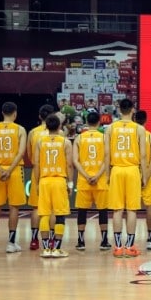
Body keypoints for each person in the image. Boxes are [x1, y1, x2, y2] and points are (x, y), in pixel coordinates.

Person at [105, 98, 147, 258]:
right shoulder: (139, 129)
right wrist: (143, 175)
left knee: (117, 210)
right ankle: (129, 247)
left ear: (119, 109)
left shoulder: (110, 128)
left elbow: (107, 153)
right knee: (131, 210)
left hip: (116, 169)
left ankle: (117, 247)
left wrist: (108, 174)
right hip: (132, 170)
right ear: (133, 110)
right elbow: (143, 155)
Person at [0, 102, 27, 254]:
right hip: (15, 170)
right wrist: (9, 169)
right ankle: (11, 243)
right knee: (14, 207)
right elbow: (21, 152)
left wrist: (0, 169)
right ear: (15, 113)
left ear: (2, 112)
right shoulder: (20, 129)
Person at [33, 114, 73, 258]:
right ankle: (56, 248)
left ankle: (45, 249)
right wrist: (70, 183)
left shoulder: (40, 142)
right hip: (59, 180)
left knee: (44, 213)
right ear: (59, 126)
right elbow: (69, 165)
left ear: (46, 127)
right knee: (60, 214)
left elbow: (36, 164)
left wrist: (37, 182)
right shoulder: (66, 142)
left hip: (44, 180)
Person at [73, 111, 111, 251]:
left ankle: (81, 241)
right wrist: (97, 175)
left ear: (86, 122)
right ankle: (104, 241)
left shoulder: (79, 138)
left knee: (82, 211)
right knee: (103, 211)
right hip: (100, 180)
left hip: (84, 180)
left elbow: (75, 161)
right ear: (99, 122)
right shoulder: (104, 137)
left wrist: (86, 175)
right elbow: (107, 159)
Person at [27, 104, 56, 251]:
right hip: (55, 174)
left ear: (40, 117)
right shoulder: (60, 133)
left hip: (38, 172)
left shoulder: (33, 133)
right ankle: (51, 240)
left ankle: (34, 239)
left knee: (36, 207)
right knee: (51, 209)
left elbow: (30, 155)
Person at [133, 110, 151, 250]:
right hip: (147, 174)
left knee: (131, 209)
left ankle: (130, 240)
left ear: (134, 119)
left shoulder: (131, 136)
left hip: (132, 173)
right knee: (149, 207)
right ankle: (150, 239)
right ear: (146, 120)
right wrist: (146, 176)